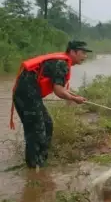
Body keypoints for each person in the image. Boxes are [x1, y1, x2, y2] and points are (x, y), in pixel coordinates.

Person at [10, 40, 90, 169]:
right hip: (27, 96)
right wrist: (74, 99)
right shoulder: (62, 64)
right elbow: (59, 91)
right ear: (73, 52)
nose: (85, 56)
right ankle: (34, 168)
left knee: (47, 124)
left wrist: (75, 96)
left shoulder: (62, 63)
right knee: (36, 131)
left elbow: (61, 89)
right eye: (83, 53)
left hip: (30, 95)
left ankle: (41, 161)